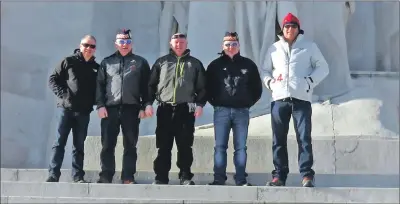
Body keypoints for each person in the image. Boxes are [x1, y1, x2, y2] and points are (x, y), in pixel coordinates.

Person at [260, 13, 329, 187]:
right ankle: (279, 176)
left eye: (293, 26)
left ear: (298, 29)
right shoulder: (274, 48)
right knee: (278, 139)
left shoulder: (309, 47)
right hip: (279, 99)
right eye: (287, 26)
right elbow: (265, 70)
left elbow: (323, 67)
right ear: (282, 29)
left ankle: (306, 175)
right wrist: (270, 83)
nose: (290, 29)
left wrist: (309, 82)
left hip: (301, 100)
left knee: (304, 138)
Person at [146, 33, 207, 185]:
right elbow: (151, 85)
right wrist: (148, 103)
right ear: (170, 43)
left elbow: (202, 87)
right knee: (163, 145)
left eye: (181, 42)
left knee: (185, 145)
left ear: (186, 43)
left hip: (185, 110)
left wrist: (200, 104)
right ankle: (161, 177)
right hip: (165, 109)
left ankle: (185, 176)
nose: (179, 44)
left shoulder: (195, 64)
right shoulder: (162, 62)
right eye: (176, 42)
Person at [206, 32, 263, 186]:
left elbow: (257, 88)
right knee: (220, 147)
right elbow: (207, 87)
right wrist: (216, 103)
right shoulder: (214, 66)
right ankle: (219, 178)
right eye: (227, 44)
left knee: (240, 147)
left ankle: (240, 179)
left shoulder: (248, 65)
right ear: (222, 46)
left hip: (241, 112)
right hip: (221, 111)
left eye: (234, 44)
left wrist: (247, 103)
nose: (230, 47)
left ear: (238, 46)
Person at [96, 29, 151, 184]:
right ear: (116, 43)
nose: (124, 45)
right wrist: (100, 105)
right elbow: (99, 86)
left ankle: (128, 176)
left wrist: (145, 105)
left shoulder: (140, 62)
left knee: (130, 145)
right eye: (121, 41)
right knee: (107, 144)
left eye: (127, 42)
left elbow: (146, 87)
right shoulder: (107, 62)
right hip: (110, 109)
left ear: (131, 43)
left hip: (131, 109)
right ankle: (106, 175)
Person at [47, 35, 99, 183]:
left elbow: (99, 89)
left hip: (83, 112)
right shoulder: (68, 61)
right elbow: (52, 79)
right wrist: (64, 95)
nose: (89, 48)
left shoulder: (96, 68)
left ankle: (77, 176)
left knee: (79, 145)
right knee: (59, 142)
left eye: (92, 46)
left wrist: (94, 102)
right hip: (66, 110)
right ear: (80, 45)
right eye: (86, 45)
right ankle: (53, 174)